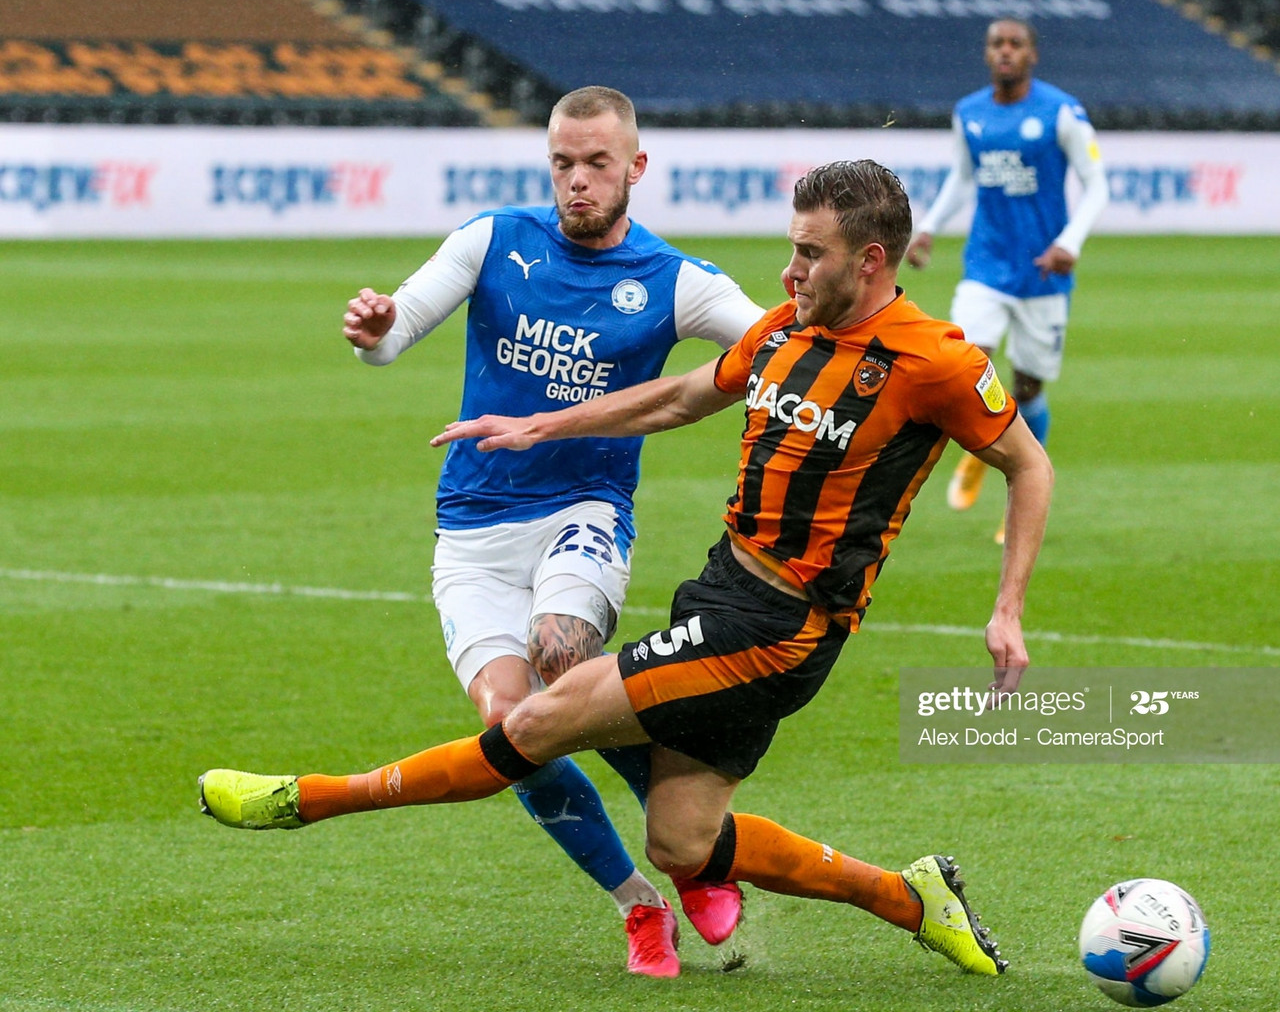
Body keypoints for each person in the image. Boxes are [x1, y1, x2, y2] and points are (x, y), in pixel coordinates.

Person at [200, 159, 1054, 982]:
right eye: (792, 246)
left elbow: (1029, 465)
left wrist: (1007, 608)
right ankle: (912, 899)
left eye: (809, 252)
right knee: (682, 842)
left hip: (780, 628)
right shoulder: (788, 327)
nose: (789, 269)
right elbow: (683, 395)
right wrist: (542, 426)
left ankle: (305, 800)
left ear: (871, 260)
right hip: (723, 585)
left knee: (536, 723)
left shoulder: (935, 361)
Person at [338, 85, 764, 976]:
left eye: (596, 165)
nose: (577, 181)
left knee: (565, 655)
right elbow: (392, 334)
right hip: (473, 530)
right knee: (512, 731)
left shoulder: (674, 281)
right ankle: (640, 903)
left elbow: (776, 350)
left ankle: (691, 855)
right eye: (563, 163)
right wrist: (374, 331)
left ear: (635, 169)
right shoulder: (492, 239)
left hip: (585, 515)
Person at [905, 16, 1106, 543]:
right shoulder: (969, 113)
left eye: (1016, 44)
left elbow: (1097, 185)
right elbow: (963, 177)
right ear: (987, 52)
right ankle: (979, 456)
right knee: (971, 358)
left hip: (1042, 272)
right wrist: (927, 227)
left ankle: (1019, 484)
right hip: (987, 266)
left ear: (1033, 54)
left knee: (1029, 387)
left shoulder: (1061, 112)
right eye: (997, 43)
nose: (1006, 52)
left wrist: (1070, 242)